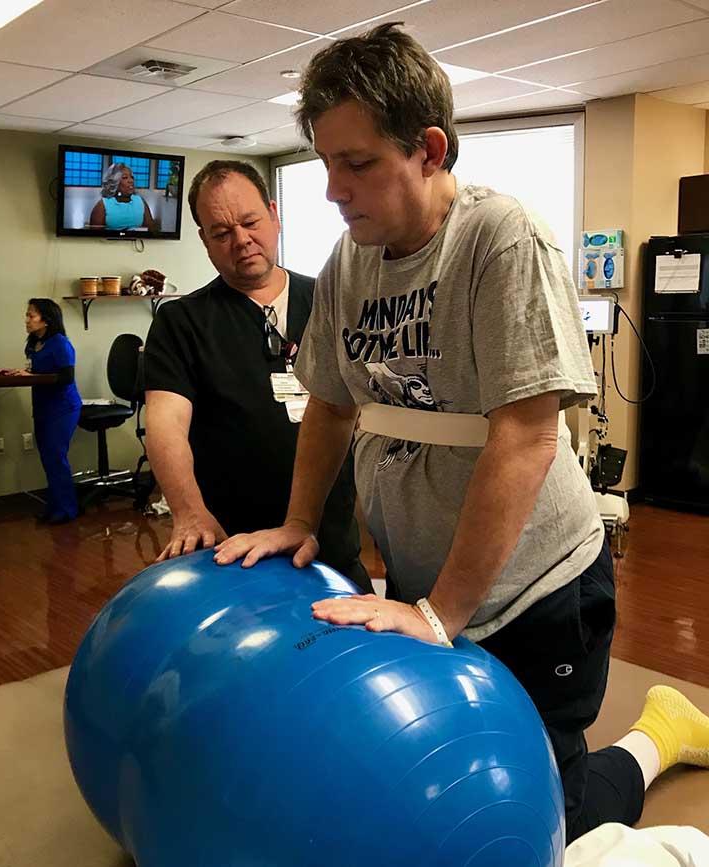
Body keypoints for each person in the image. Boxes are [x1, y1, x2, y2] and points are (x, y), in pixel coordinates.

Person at [212, 24, 709, 842]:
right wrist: (300, 522)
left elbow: (524, 437)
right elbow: (332, 405)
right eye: (326, 161)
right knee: (435, 786)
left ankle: (658, 734)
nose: (334, 188)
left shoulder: (500, 238)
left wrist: (442, 614)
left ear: (430, 150)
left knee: (538, 814)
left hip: (539, 590)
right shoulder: (349, 259)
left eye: (358, 162)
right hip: (427, 585)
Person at [143, 160, 370, 589]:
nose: (242, 241)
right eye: (222, 233)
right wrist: (188, 511)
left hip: (332, 542)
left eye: (250, 222)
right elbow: (165, 422)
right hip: (233, 550)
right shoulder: (182, 322)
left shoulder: (331, 297)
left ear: (273, 214)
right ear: (204, 241)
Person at [0, 299, 82, 523]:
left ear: (46, 320)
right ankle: (54, 507)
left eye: (31, 316)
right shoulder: (34, 343)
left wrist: (32, 377)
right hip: (43, 406)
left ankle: (66, 510)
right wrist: (20, 373)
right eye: (27, 315)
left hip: (63, 407)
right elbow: (36, 371)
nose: (26, 320)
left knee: (56, 457)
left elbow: (66, 377)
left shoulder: (60, 343)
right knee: (47, 458)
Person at [89, 162, 157, 231]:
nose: (131, 181)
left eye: (132, 177)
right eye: (125, 177)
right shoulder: (102, 205)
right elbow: (94, 237)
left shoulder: (140, 202)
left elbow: (151, 230)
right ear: (114, 182)